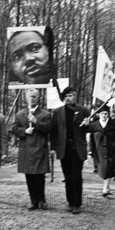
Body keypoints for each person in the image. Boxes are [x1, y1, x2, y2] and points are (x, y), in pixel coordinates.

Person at [50, 86, 90, 214]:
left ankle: (77, 204)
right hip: (64, 149)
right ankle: (70, 202)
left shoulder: (83, 111)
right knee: (67, 176)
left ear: (75, 96)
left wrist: (88, 124)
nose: (68, 98)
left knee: (77, 176)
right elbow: (53, 131)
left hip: (77, 149)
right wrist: (52, 148)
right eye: (66, 96)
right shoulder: (57, 112)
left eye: (71, 95)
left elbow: (91, 129)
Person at [13, 89, 52, 210]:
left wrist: (36, 122)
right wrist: (24, 131)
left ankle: (42, 199)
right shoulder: (20, 114)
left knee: (39, 176)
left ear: (38, 98)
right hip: (26, 149)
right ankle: (33, 201)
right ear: (26, 97)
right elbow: (14, 128)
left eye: (34, 96)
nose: (32, 98)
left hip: (39, 148)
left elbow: (49, 129)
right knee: (29, 176)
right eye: (30, 96)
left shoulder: (45, 114)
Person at [89, 106, 115, 196]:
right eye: (102, 114)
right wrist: (90, 150)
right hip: (99, 151)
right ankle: (107, 187)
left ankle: (105, 188)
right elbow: (91, 139)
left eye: (106, 114)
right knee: (102, 171)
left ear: (108, 115)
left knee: (108, 169)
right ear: (99, 115)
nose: (104, 115)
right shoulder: (94, 125)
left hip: (112, 151)